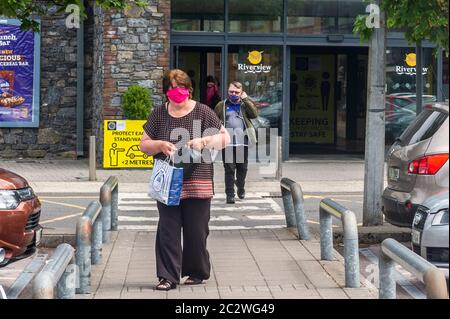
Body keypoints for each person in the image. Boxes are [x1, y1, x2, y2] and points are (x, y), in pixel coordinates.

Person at [140, 69, 230, 291]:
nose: (175, 93)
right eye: (170, 89)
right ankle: (167, 276)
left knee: (196, 230)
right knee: (168, 231)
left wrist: (205, 140)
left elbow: (225, 138)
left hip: (198, 181)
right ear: (165, 92)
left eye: (179, 88)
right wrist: (160, 145)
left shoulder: (203, 112)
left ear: (189, 90)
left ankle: (196, 272)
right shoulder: (159, 114)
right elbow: (144, 144)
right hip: (168, 182)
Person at [214, 81, 258, 204]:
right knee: (229, 169)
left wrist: (246, 99)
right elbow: (214, 120)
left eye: (236, 92)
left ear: (241, 92)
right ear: (228, 92)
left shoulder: (244, 105)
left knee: (242, 169)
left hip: (242, 142)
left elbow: (254, 114)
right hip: (227, 143)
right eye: (231, 92)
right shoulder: (221, 105)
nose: (233, 94)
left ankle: (241, 186)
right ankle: (230, 195)